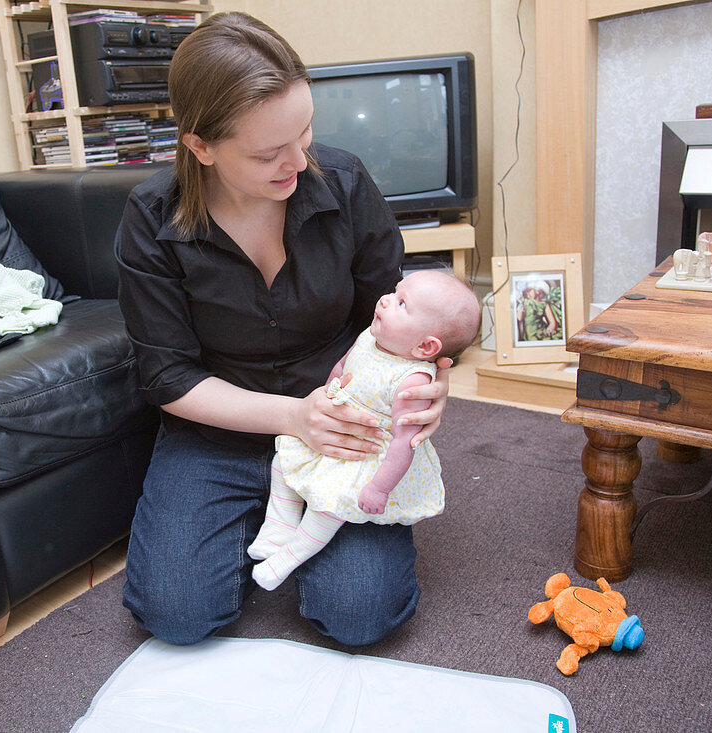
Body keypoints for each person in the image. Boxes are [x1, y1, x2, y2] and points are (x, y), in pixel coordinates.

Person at [114, 11, 453, 647]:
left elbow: (397, 312)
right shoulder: (151, 218)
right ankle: (260, 518)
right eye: (269, 152)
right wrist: (292, 418)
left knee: (360, 616)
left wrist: (430, 384)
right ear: (201, 147)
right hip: (218, 427)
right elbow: (166, 375)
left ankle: (286, 520)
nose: (298, 161)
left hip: (345, 429)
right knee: (177, 616)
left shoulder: (343, 183)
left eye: (305, 133)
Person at [248, 271, 481, 591]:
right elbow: (342, 368)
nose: (385, 300)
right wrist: (331, 388)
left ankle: (287, 558)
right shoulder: (370, 337)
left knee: (331, 505)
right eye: (394, 292)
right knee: (283, 462)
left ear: (426, 346)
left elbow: (404, 443)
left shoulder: (412, 381)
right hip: (334, 429)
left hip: (368, 454)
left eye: (401, 303)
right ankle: (278, 528)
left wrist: (380, 488)